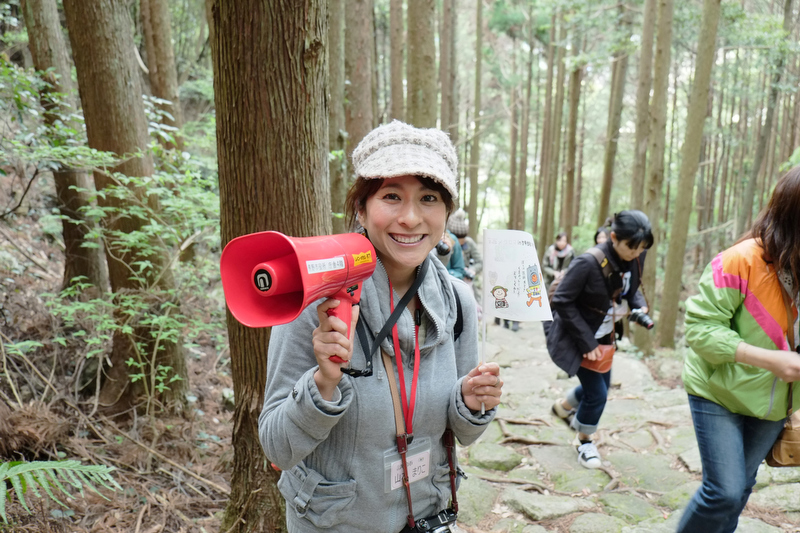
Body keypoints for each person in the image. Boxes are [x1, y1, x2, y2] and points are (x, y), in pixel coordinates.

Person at [258, 120, 503, 533]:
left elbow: (463, 433)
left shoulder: (456, 303)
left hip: (429, 517)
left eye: (428, 198)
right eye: (392, 196)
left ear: (446, 212)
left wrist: (471, 401)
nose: (410, 218)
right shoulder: (316, 298)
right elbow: (277, 445)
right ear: (361, 207)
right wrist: (323, 384)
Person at [676, 167, 800, 533]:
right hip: (717, 392)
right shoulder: (740, 260)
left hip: (774, 405)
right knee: (724, 493)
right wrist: (767, 359)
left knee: (741, 489)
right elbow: (700, 330)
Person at [546, 210, 653, 469]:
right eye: (631, 248)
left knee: (599, 386)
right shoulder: (588, 262)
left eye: (642, 249)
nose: (636, 253)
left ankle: (562, 407)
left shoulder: (636, 253)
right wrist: (587, 343)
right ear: (614, 238)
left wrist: (639, 305)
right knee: (598, 395)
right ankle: (584, 441)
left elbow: (632, 287)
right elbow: (562, 301)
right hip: (579, 337)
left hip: (606, 336)